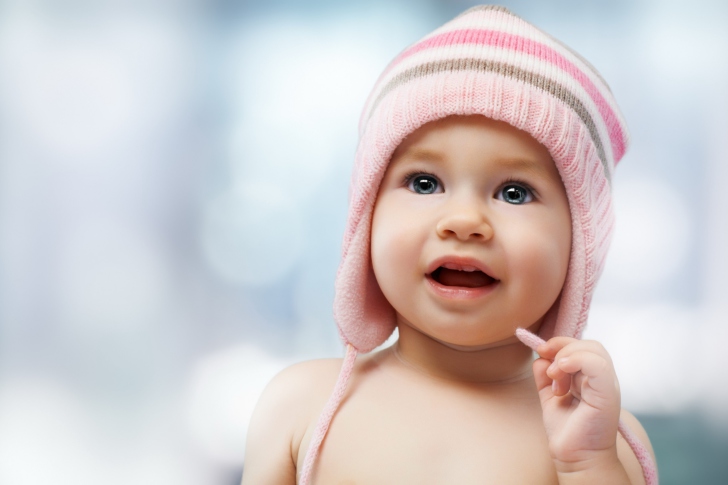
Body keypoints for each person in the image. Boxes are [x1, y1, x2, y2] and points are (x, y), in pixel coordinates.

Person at [242, 5, 658, 484]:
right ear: (366, 215)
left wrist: (587, 463)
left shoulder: (601, 438)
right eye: (423, 182)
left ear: (581, 245)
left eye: (514, 192)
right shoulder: (303, 407)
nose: (464, 222)